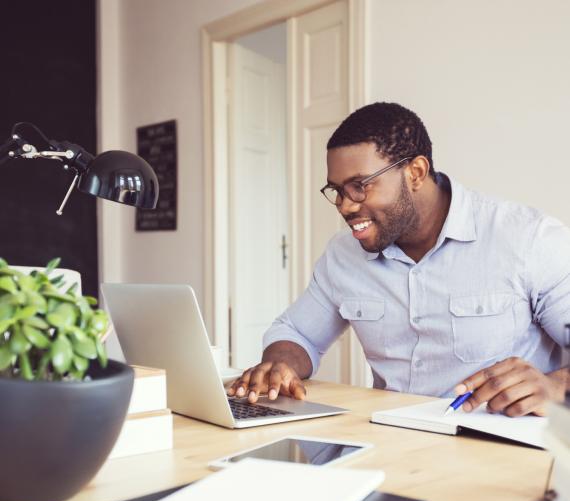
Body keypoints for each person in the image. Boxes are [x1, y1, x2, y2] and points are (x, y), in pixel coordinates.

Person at [228, 102, 570, 417]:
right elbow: (297, 332)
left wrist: (555, 386)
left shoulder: (527, 240)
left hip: (499, 449)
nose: (345, 206)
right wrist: (278, 365)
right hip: (391, 444)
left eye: (359, 186)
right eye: (337, 190)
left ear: (416, 173)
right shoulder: (343, 255)